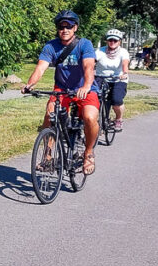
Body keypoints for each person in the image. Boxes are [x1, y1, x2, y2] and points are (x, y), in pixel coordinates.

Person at [22, 9, 100, 175]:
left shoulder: (84, 44)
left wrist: (86, 86)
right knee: (50, 115)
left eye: (69, 26)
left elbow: (88, 66)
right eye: (61, 27)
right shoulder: (51, 46)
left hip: (85, 89)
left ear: (75, 28)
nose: (65, 30)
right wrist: (30, 84)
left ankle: (88, 153)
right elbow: (41, 67)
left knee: (90, 117)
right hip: (62, 90)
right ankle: (48, 157)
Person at [95, 28, 130, 130]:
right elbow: (92, 61)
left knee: (116, 100)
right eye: (110, 40)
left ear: (119, 41)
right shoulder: (100, 51)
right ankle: (100, 121)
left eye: (115, 40)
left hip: (118, 78)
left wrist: (125, 73)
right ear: (107, 41)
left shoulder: (123, 52)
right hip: (101, 77)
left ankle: (118, 119)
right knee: (95, 97)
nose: (112, 42)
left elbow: (125, 63)